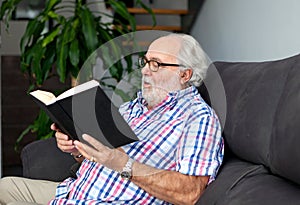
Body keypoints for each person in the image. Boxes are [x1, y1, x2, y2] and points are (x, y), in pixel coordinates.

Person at [0, 33, 224, 205]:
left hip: (104, 200)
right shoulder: (133, 107)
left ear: (184, 74)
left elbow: (190, 193)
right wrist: (77, 149)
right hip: (73, 191)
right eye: (144, 62)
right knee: (4, 187)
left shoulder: (197, 118)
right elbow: (100, 158)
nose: (145, 71)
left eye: (156, 64)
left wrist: (124, 165)